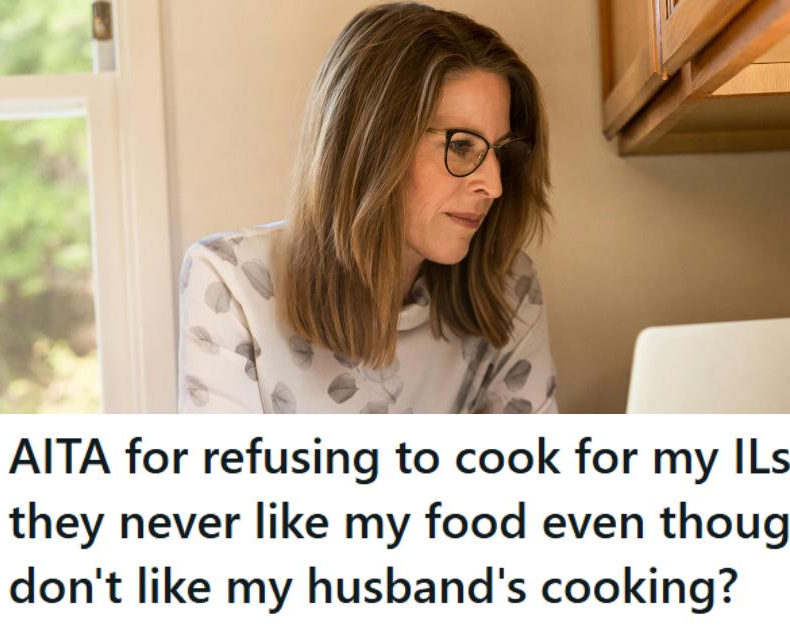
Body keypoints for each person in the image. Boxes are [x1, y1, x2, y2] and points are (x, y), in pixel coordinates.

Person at [177, 3, 557, 413]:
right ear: (372, 146)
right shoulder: (232, 284)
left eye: (500, 152)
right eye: (462, 146)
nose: (494, 186)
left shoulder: (508, 290)